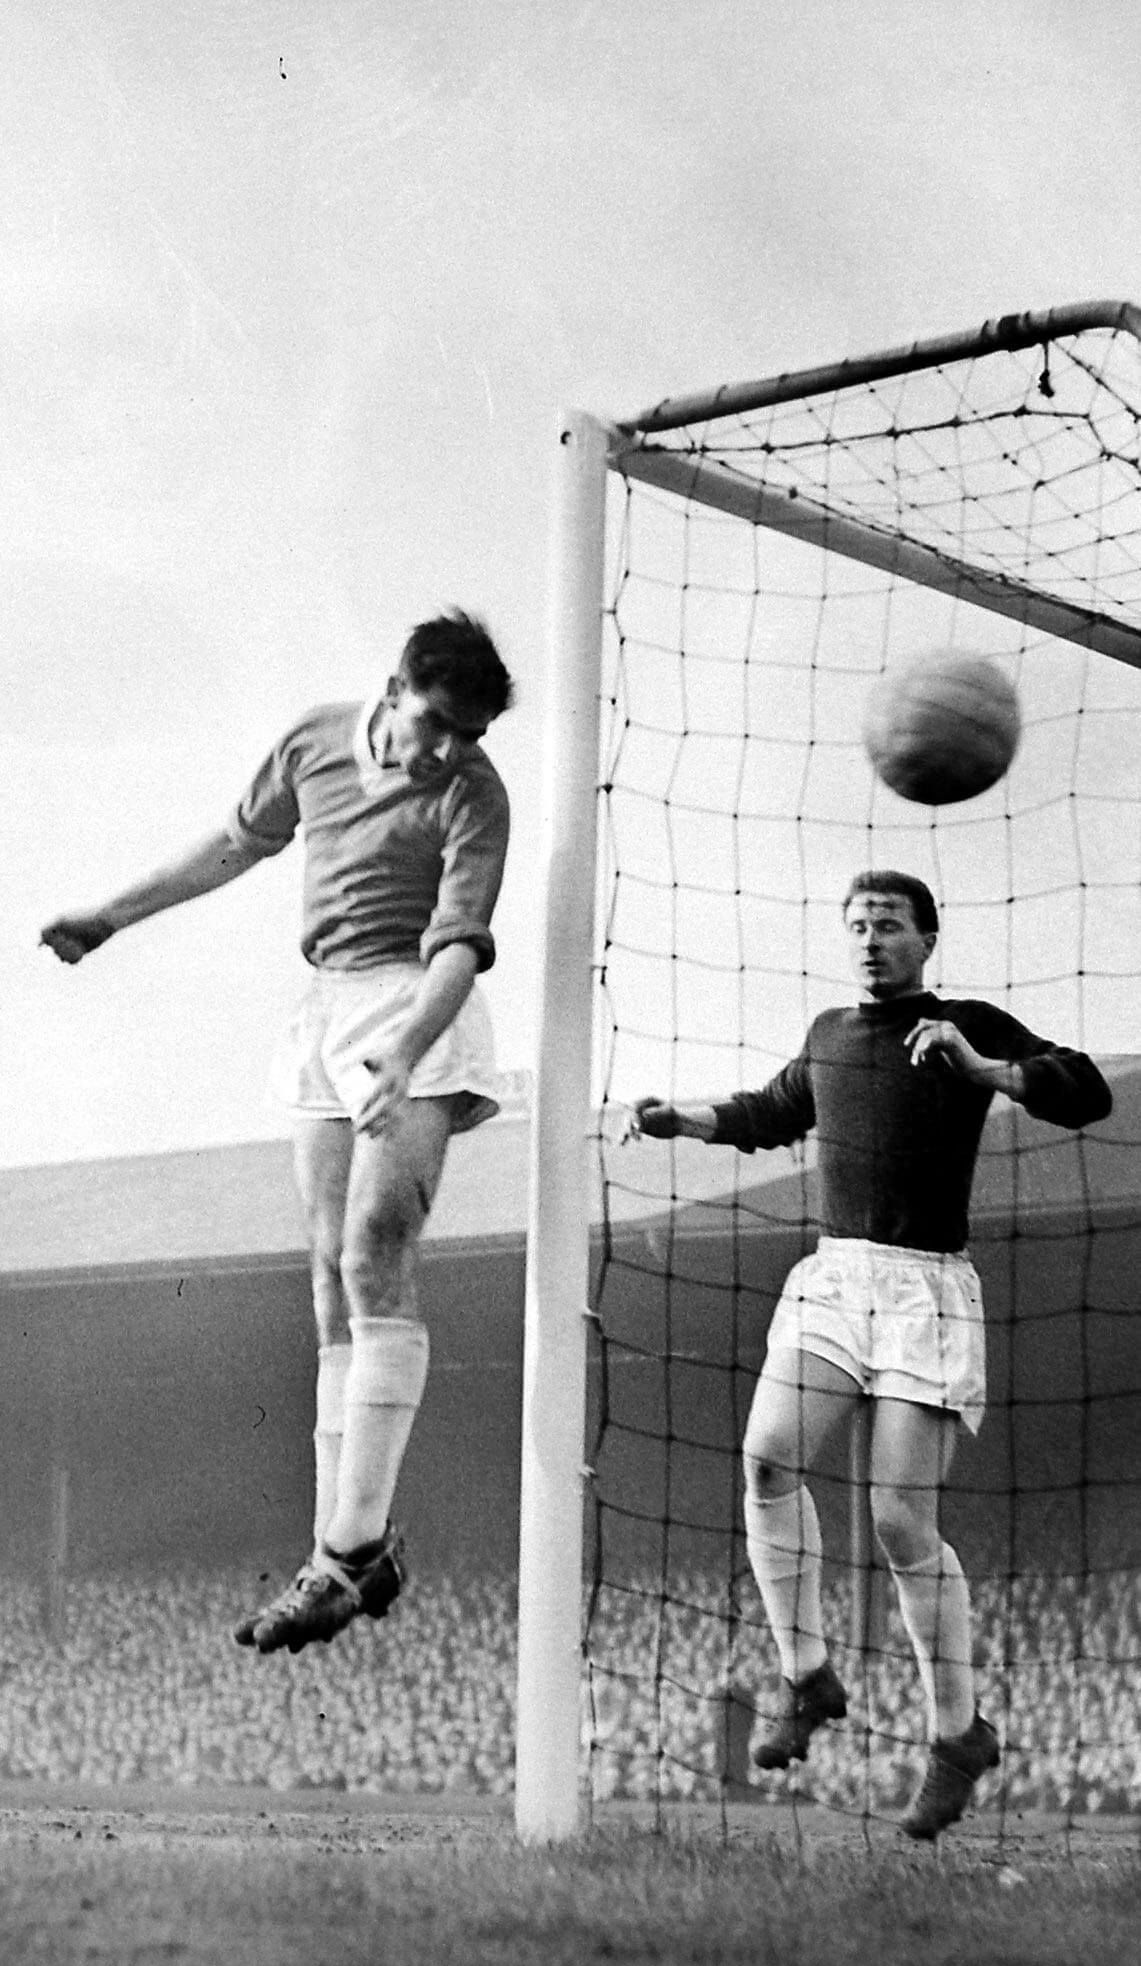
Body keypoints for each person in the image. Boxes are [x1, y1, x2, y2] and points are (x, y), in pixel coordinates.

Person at [41, 608, 514, 1657]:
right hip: (325, 1009)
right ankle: (356, 1548)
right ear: (394, 688)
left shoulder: (475, 796)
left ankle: (341, 1555)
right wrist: (109, 917)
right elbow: (229, 846)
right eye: (436, 723)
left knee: (372, 1254)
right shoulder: (312, 742)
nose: (446, 750)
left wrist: (404, 1051)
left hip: (416, 1010)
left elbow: (457, 951)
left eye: (467, 735)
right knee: (323, 1277)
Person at [627, 869, 1112, 1840]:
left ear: (926, 940)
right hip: (837, 1281)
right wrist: (682, 1117)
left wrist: (983, 1069)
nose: (868, 938)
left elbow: (1086, 1093)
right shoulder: (826, 1036)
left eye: (888, 924)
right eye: (854, 924)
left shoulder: (965, 1022)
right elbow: (771, 1113)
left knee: (896, 1518)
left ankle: (956, 1737)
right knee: (766, 1457)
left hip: (926, 1287)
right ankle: (805, 1676)